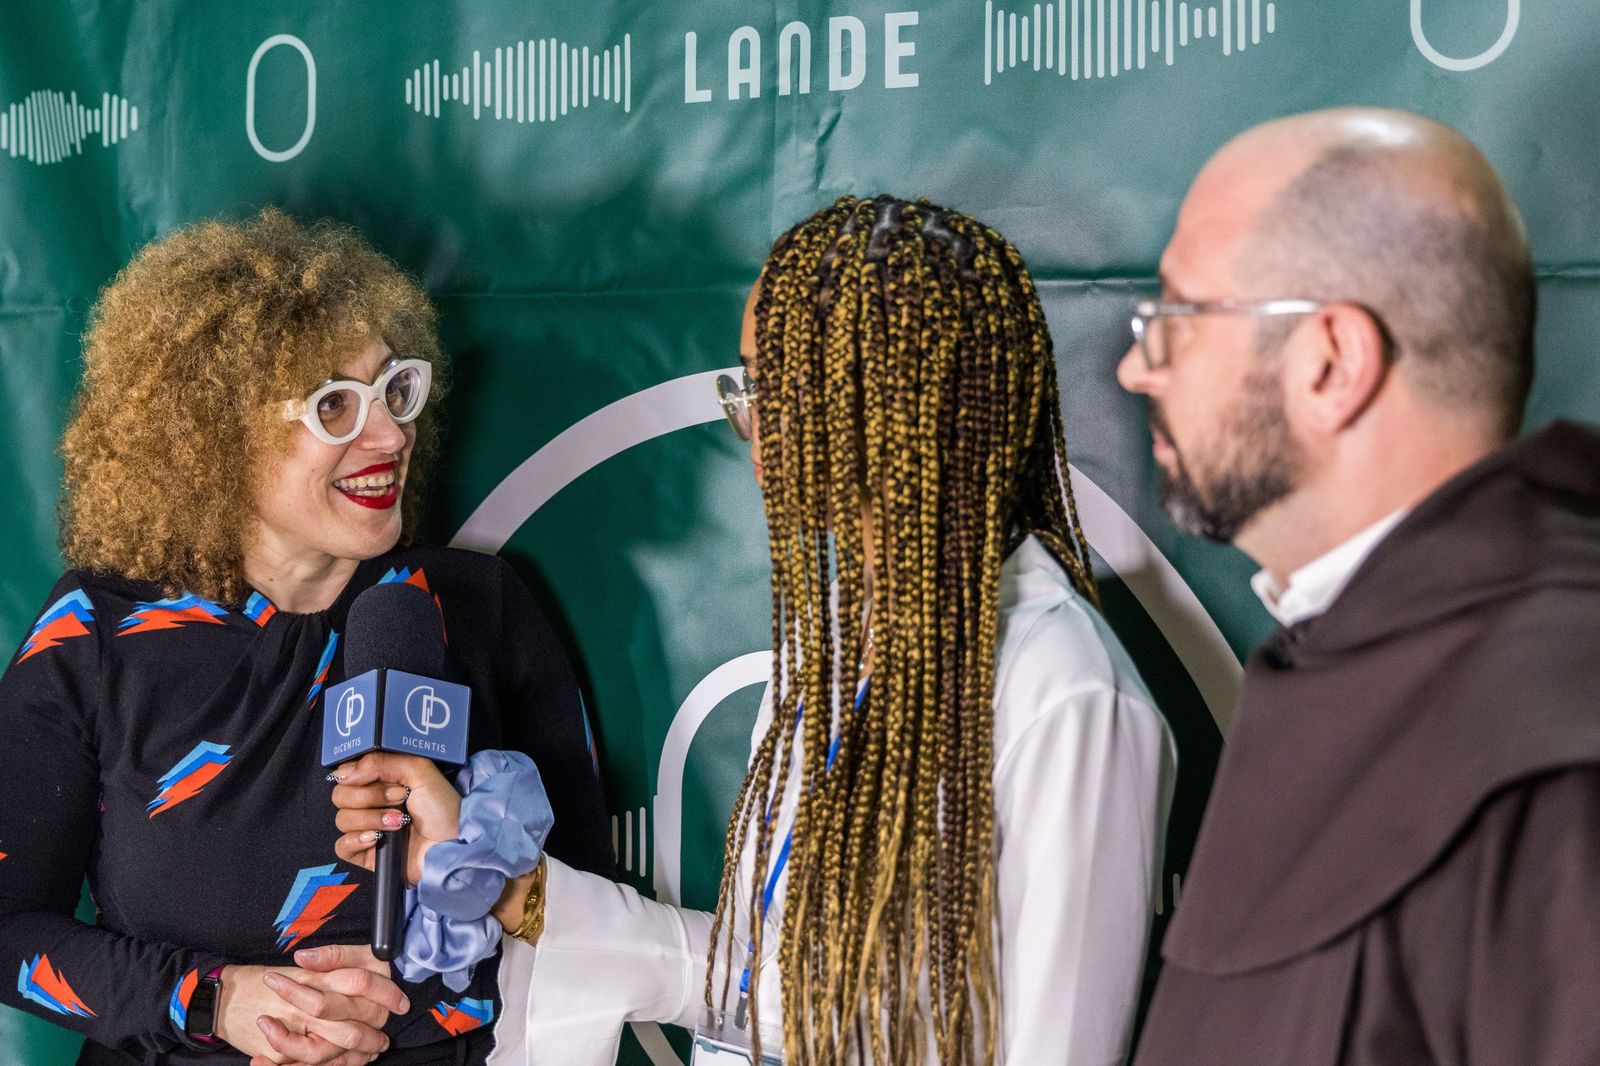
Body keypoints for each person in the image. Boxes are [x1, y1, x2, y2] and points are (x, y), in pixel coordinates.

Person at [329, 195, 1177, 1066]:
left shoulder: (1066, 693)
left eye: (781, 388)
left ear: (901, 404)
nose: (755, 430)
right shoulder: (836, 640)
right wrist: (516, 891)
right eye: (750, 388)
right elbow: (758, 987)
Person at [0, 209, 613, 1066]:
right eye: (336, 406)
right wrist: (220, 1000)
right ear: (211, 435)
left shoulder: (478, 607)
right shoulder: (96, 635)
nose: (391, 436)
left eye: (396, 391)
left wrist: (426, 991)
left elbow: (597, 920)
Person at [1117, 108, 1600, 1064]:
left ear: (1331, 364)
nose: (1135, 367)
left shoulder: (1560, 751)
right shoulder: (1340, 657)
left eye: (1173, 320)